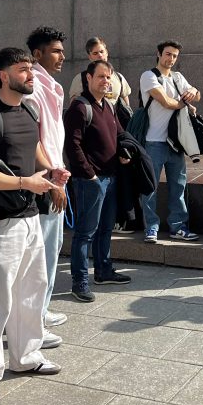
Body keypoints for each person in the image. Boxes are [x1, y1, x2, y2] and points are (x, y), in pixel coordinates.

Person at [0, 47, 70, 405]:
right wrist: (26, 183)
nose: (30, 74)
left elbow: (34, 147)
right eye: (23, 69)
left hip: (29, 216)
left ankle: (26, 356)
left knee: (31, 290)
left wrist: (52, 172)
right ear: (3, 75)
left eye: (30, 68)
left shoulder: (28, 109)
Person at [64, 59, 132, 302]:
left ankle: (103, 271)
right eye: (101, 76)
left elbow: (120, 134)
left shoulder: (109, 106)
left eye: (108, 77)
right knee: (85, 233)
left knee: (105, 229)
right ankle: (79, 281)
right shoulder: (80, 107)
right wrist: (89, 174)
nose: (105, 81)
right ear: (89, 78)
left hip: (110, 178)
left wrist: (124, 151)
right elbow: (72, 146)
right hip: (90, 181)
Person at [25, 27, 70, 334]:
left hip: (56, 175)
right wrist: (53, 179)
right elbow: (33, 140)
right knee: (41, 251)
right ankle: (32, 321)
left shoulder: (51, 85)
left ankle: (41, 309)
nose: (62, 56)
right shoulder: (34, 87)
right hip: (44, 179)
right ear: (37, 54)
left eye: (62, 51)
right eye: (55, 51)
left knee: (52, 247)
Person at [140, 40, 201, 243]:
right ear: (159, 54)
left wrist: (193, 91)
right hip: (153, 141)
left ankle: (178, 227)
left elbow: (197, 95)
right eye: (168, 54)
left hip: (176, 141)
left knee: (178, 187)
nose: (171, 59)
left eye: (174, 56)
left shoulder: (178, 77)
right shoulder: (149, 76)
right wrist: (185, 102)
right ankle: (151, 227)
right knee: (150, 187)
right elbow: (165, 102)